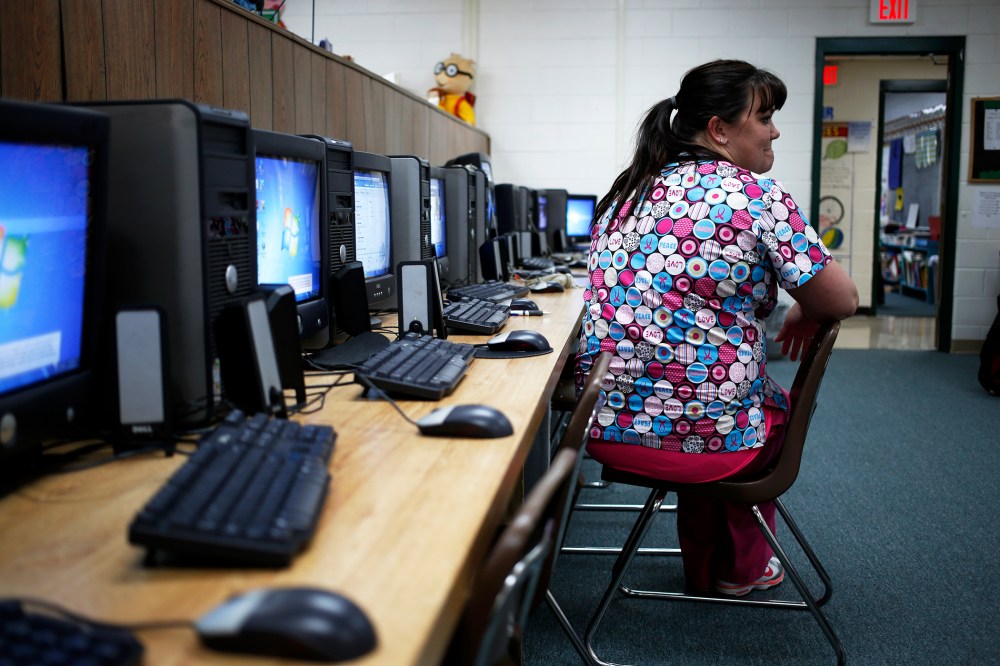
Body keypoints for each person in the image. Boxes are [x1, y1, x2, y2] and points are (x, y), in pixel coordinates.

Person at [575, 60, 858, 596]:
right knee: (759, 412)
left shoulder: (625, 195)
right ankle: (740, 568)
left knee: (709, 400)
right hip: (708, 439)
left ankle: (710, 568)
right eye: (765, 117)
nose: (775, 130)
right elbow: (843, 298)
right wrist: (810, 306)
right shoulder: (755, 195)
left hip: (609, 435)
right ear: (719, 130)